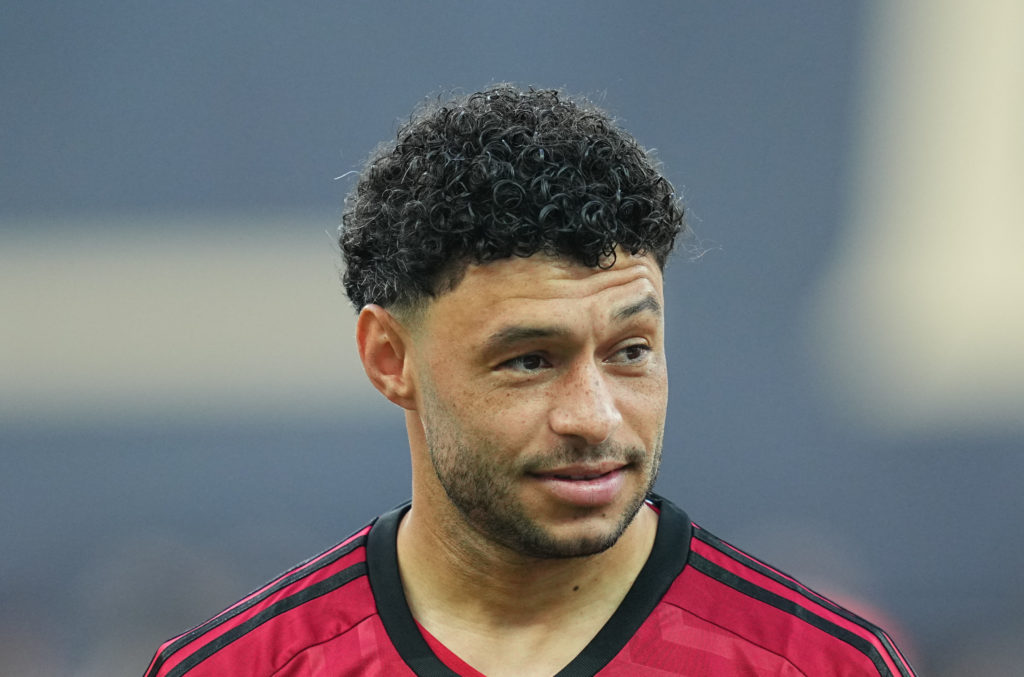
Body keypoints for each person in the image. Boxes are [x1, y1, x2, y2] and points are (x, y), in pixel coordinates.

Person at [144, 84, 916, 676]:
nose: (594, 416)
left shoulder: (817, 664)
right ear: (389, 358)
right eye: (529, 360)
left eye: (631, 350)